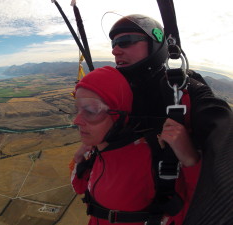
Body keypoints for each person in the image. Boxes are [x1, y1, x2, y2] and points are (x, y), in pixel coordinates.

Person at [108, 14, 233, 225]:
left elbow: (225, 140)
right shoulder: (115, 93)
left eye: (125, 41)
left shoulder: (189, 92)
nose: (115, 50)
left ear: (155, 45)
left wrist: (190, 157)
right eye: (113, 43)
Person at [70, 66, 201, 225]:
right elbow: (80, 188)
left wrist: (190, 160)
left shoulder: (149, 158)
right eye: (76, 109)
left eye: (90, 110)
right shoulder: (96, 153)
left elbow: (195, 212)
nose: (76, 120)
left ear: (118, 115)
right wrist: (79, 161)